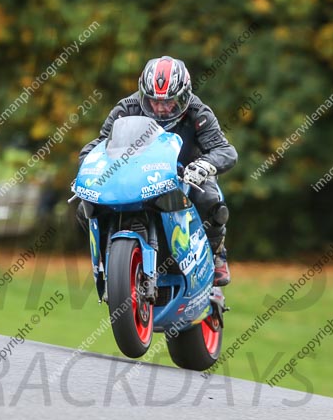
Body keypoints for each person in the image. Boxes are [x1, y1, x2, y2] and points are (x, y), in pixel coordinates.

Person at [77, 56, 237, 286]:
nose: (161, 108)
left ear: (183, 96)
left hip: (187, 176)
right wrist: (88, 167)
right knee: (86, 208)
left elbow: (225, 150)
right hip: (137, 176)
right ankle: (108, 259)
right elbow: (101, 144)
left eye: (169, 102)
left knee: (211, 200)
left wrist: (203, 165)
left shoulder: (198, 112)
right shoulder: (127, 108)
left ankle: (217, 254)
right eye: (153, 101)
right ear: (143, 95)